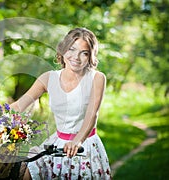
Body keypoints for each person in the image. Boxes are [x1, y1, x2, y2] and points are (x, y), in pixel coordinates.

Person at [10, 27, 112, 179]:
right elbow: (18, 106)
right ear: (63, 50)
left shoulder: (96, 78)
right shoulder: (48, 78)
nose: (76, 57)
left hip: (85, 145)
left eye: (84, 53)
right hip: (57, 143)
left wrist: (77, 141)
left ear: (90, 56)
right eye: (71, 49)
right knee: (29, 173)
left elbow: (92, 114)